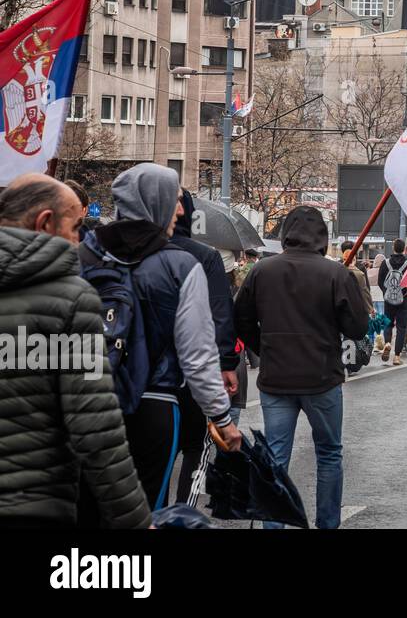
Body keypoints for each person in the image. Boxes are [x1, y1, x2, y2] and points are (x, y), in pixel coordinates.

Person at [80, 164, 238, 512]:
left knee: (91, 511)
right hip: (155, 403)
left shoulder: (85, 256)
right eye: (177, 201)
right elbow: (197, 354)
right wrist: (221, 418)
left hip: (89, 402)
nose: (181, 211)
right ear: (156, 202)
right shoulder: (181, 265)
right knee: (147, 508)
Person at [0, 175, 152, 528]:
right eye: (75, 226)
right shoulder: (72, 300)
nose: (79, 238)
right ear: (44, 223)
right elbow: (95, 427)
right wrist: (135, 521)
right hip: (32, 503)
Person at [234, 205, 369, 529]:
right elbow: (357, 329)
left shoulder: (262, 271)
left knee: (276, 459)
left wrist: (265, 347)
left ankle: (274, 525)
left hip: (276, 377)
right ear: (322, 236)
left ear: (285, 234)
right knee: (329, 454)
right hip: (322, 377)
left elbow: (241, 319)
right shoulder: (336, 273)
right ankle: (327, 523)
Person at [170, 189, 241, 505]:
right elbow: (219, 313)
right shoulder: (204, 256)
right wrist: (227, 363)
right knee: (195, 447)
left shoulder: (129, 252)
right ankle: (183, 513)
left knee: (152, 454)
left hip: (145, 375)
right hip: (192, 373)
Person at [376, 238, 407, 365]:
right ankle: (397, 356)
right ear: (404, 249)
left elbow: (380, 281)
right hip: (404, 300)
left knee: (388, 324)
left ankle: (387, 343)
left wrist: (386, 293)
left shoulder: (385, 263)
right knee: (401, 328)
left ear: (394, 248)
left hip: (388, 300)